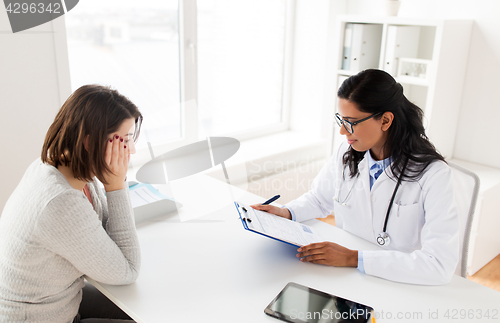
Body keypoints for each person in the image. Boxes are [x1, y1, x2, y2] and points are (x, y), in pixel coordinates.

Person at [252, 69, 459, 285]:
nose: (342, 131)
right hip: (347, 275)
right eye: (341, 120)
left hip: (402, 279)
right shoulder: (347, 152)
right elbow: (320, 198)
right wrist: (287, 212)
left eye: (351, 121)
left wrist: (353, 258)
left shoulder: (433, 174)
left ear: (386, 120)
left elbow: (439, 264)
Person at [0, 85, 143, 322]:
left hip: (63, 299)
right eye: (124, 140)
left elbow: (108, 234)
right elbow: (128, 269)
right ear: (90, 142)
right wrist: (116, 184)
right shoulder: (59, 202)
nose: (132, 150)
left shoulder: (64, 168)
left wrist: (112, 183)